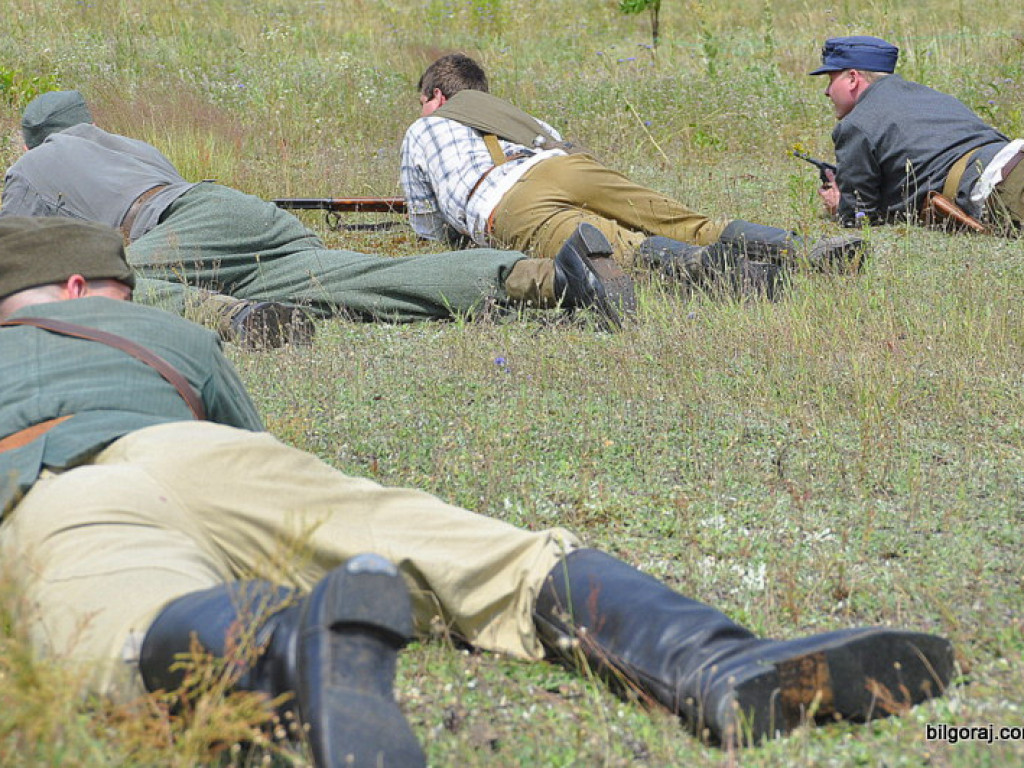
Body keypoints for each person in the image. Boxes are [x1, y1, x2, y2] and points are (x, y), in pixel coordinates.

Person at [0, 217, 955, 766]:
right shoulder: (169, 338)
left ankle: (284, 649)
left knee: (128, 620)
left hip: (53, 483)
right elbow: (242, 445)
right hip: (198, 449)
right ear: (81, 287)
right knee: (485, 552)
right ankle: (712, 659)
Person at [0, 89, 624, 338]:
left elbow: (27, 255)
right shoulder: (125, 144)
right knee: (356, 279)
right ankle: (546, 277)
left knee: (98, 288)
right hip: (240, 216)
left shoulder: (28, 168)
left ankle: (238, 322)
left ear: (29, 140)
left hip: (181, 228)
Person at [400, 53, 867, 300]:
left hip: (509, 202)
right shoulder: (513, 116)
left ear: (436, 95)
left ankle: (743, 280)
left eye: (423, 100)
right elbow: (557, 144)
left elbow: (431, 231)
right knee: (686, 221)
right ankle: (802, 249)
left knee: (621, 248)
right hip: (568, 168)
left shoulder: (424, 128)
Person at [810, 35, 1024, 231]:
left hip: (1002, 186)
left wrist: (840, 205)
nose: (827, 92)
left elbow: (858, 218)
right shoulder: (930, 95)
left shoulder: (856, 124)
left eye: (831, 80)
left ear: (853, 78)